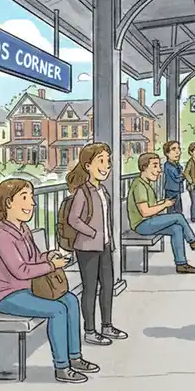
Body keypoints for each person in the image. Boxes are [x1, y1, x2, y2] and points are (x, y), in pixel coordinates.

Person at [0, 179, 99, 383]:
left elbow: (33, 259)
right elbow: (21, 270)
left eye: (32, 198)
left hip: (25, 290)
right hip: (5, 295)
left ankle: (75, 357)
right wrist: (52, 266)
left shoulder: (22, 228)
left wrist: (49, 256)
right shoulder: (2, 233)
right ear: (9, 203)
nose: (32, 203)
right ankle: (62, 367)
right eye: (25, 198)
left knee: (71, 300)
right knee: (57, 310)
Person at [65, 142, 128, 346]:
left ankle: (107, 325)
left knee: (108, 286)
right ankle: (90, 330)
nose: (106, 166)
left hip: (105, 246)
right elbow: (73, 219)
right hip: (87, 248)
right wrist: (92, 232)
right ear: (87, 165)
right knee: (90, 288)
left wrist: (107, 238)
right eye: (100, 161)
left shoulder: (102, 191)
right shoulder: (83, 192)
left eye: (107, 161)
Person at [127, 152, 195, 274]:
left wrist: (163, 202)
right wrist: (164, 205)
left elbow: (150, 206)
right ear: (144, 167)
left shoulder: (145, 184)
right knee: (178, 216)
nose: (159, 170)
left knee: (177, 228)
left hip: (149, 222)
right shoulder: (139, 185)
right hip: (142, 225)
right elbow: (145, 212)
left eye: (159, 166)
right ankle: (193, 242)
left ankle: (181, 264)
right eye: (155, 166)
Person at [162, 141, 185, 215]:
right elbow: (177, 178)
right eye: (173, 149)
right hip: (171, 190)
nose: (178, 152)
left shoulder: (176, 164)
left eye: (179, 148)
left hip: (177, 189)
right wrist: (183, 176)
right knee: (171, 208)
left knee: (178, 207)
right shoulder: (168, 166)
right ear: (167, 153)